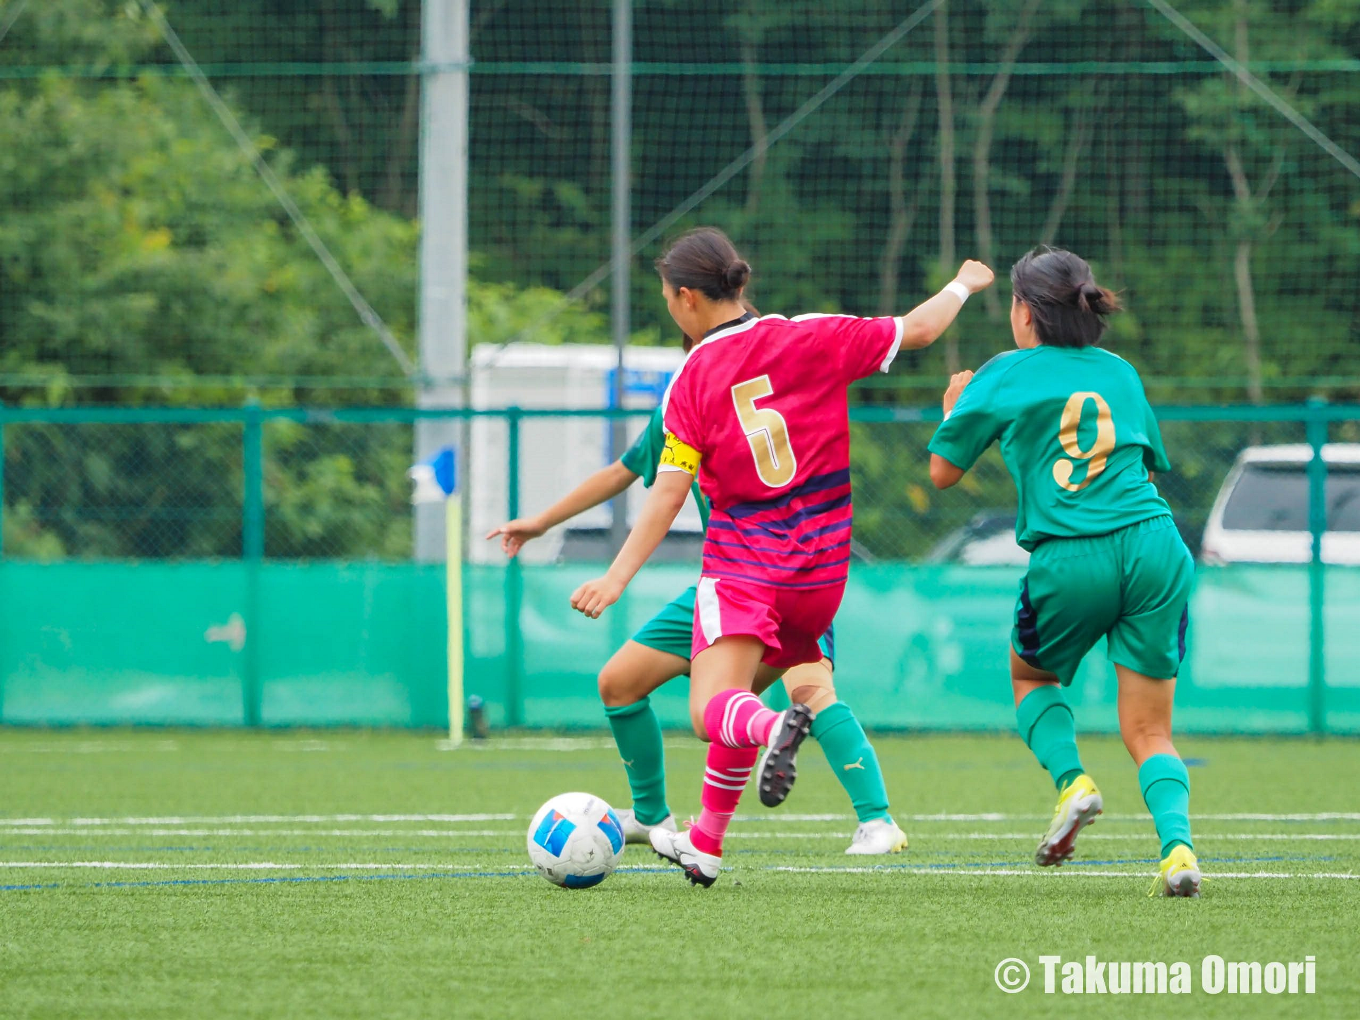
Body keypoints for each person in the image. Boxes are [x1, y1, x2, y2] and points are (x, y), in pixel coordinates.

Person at [570, 226, 993, 885]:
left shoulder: (692, 379)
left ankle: (776, 731)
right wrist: (963, 284)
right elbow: (919, 331)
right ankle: (705, 845)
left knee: (715, 710)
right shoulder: (811, 334)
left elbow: (667, 494)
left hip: (744, 567)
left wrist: (616, 575)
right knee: (742, 688)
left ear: (686, 299)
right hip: (822, 575)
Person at [486, 328, 909, 856]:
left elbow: (661, 492)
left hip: (786, 573)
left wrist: (612, 574)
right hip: (726, 585)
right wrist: (541, 522)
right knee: (620, 683)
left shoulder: (752, 382)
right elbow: (622, 472)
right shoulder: (682, 400)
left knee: (806, 691)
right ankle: (654, 819)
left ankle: (876, 819)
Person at [927, 247, 1200, 897]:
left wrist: (955, 406)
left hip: (1071, 552)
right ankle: (1179, 851)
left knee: (1032, 675)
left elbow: (942, 473)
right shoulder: (1120, 372)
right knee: (1151, 729)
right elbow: (1147, 465)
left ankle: (1074, 783)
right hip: (1155, 545)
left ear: (1025, 311)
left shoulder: (1005, 372)